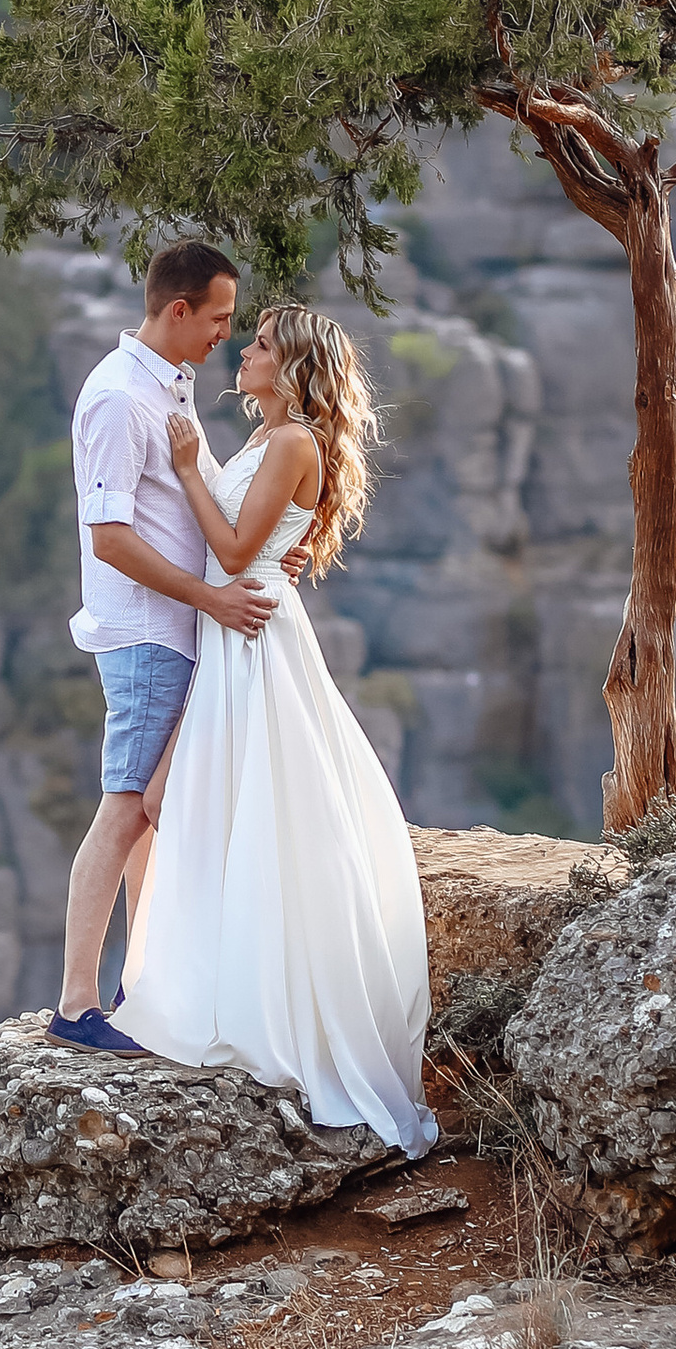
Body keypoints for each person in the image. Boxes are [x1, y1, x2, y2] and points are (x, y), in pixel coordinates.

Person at [110, 300, 435, 1151]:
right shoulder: (264, 440)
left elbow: (228, 550)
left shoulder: (292, 444)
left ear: (289, 367)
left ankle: (256, 1006)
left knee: (240, 810)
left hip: (252, 637)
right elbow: (245, 538)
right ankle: (189, 979)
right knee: (177, 802)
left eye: (257, 344)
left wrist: (186, 469)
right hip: (235, 630)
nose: (243, 352)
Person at [50, 240, 281, 1054]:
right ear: (178, 310)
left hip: (177, 631)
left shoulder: (168, 390)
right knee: (124, 810)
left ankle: (140, 987)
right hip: (150, 634)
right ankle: (79, 1006)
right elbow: (110, 538)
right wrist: (211, 598)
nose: (227, 332)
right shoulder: (119, 400)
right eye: (219, 317)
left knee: (151, 812)